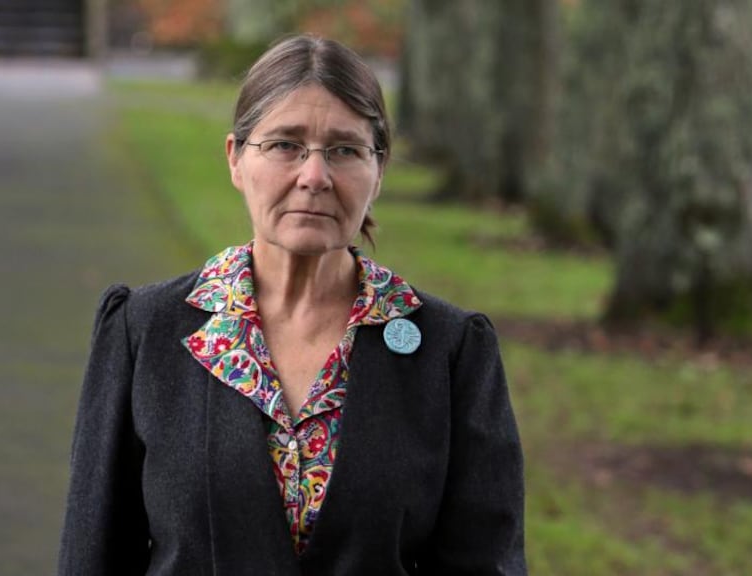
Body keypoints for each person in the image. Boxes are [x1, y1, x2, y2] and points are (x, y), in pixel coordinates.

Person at [58, 34, 527, 576]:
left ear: (379, 170)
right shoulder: (144, 332)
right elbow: (92, 556)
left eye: (345, 150)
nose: (314, 177)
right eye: (285, 145)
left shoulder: (449, 350)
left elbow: (485, 562)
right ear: (236, 159)